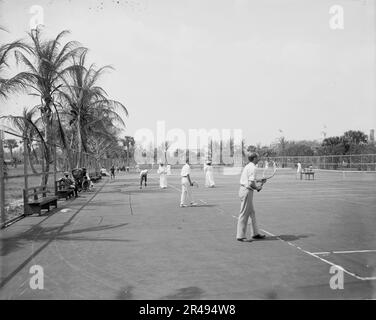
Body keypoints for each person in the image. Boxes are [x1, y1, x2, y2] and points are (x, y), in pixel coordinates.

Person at [236, 152, 266, 242]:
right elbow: (251, 183)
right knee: (244, 213)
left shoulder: (248, 166)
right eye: (257, 157)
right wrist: (258, 187)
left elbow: (250, 179)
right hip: (247, 191)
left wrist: (260, 180)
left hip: (244, 190)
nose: (259, 159)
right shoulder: (253, 167)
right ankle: (240, 236)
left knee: (252, 213)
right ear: (254, 158)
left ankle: (255, 233)